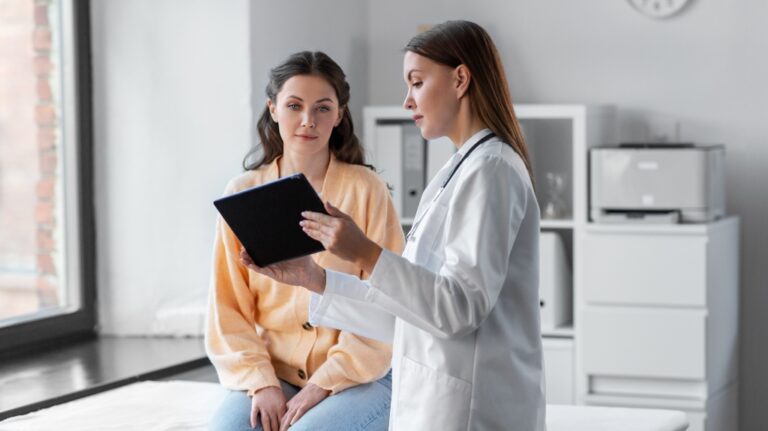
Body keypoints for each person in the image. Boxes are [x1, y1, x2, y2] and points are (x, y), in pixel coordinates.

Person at [242, 21, 545, 430]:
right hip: (436, 400)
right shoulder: (459, 170)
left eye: (417, 83)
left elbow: (458, 309)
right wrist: (316, 279)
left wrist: (364, 252)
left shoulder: (491, 169)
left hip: (473, 410)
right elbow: (408, 315)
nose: (407, 101)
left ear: (460, 79)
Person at [206, 51, 405, 431]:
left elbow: (389, 300)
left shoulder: (367, 190)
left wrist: (321, 386)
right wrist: (261, 382)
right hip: (272, 372)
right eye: (294, 106)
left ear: (340, 115)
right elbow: (226, 308)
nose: (308, 121)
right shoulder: (243, 193)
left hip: (361, 375)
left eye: (322, 108)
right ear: (273, 109)